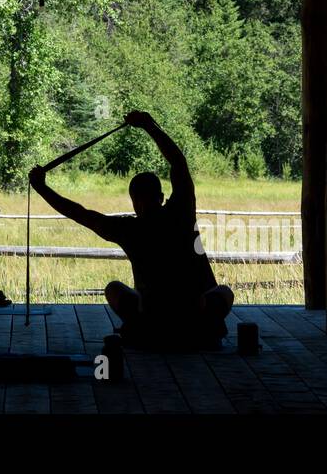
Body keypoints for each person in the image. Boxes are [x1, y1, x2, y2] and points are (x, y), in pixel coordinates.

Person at [29, 110, 234, 350]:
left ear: (134, 201)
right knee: (225, 293)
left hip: (153, 318)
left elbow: (80, 214)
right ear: (161, 197)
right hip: (194, 315)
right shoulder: (181, 212)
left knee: (113, 289)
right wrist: (149, 126)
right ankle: (197, 331)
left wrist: (42, 188)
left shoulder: (128, 229)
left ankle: (145, 329)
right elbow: (178, 162)